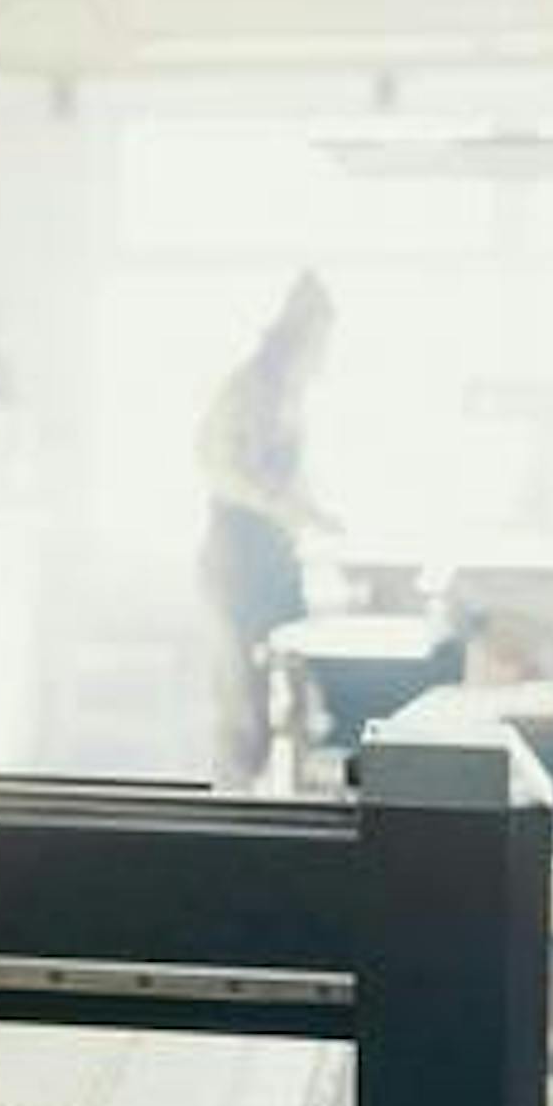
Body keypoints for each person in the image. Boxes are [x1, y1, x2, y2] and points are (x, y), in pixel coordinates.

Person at [196, 271, 336, 781]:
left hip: (276, 559)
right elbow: (221, 466)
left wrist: (318, 516)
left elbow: (290, 479)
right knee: (242, 709)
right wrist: (282, 507)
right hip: (237, 558)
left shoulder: (290, 395)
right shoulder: (246, 388)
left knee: (299, 693)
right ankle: (230, 816)